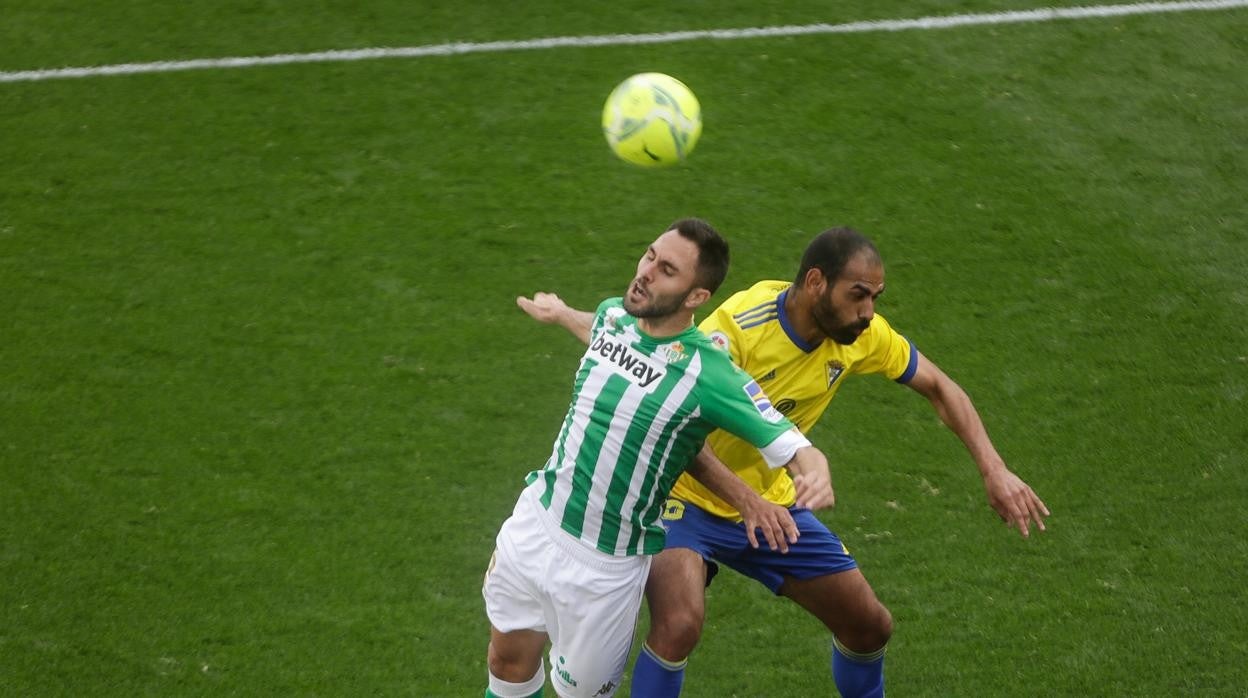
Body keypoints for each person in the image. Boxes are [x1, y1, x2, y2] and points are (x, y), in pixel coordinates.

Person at [528, 227, 1050, 697]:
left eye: (875, 297)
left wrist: (994, 469)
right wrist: (746, 500)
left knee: (870, 626)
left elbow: (939, 385)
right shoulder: (738, 330)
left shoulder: (861, 336)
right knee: (679, 623)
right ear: (817, 282)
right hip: (682, 498)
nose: (869, 311)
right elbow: (682, 431)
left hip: (769, 506)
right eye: (858, 295)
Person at [483, 218, 835, 698]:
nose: (646, 272)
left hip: (602, 570)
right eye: (649, 255)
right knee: (507, 666)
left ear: (696, 297)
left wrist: (815, 472)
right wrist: (561, 312)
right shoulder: (614, 315)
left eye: (666, 269)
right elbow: (599, 332)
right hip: (535, 525)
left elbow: (788, 439)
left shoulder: (710, 373)